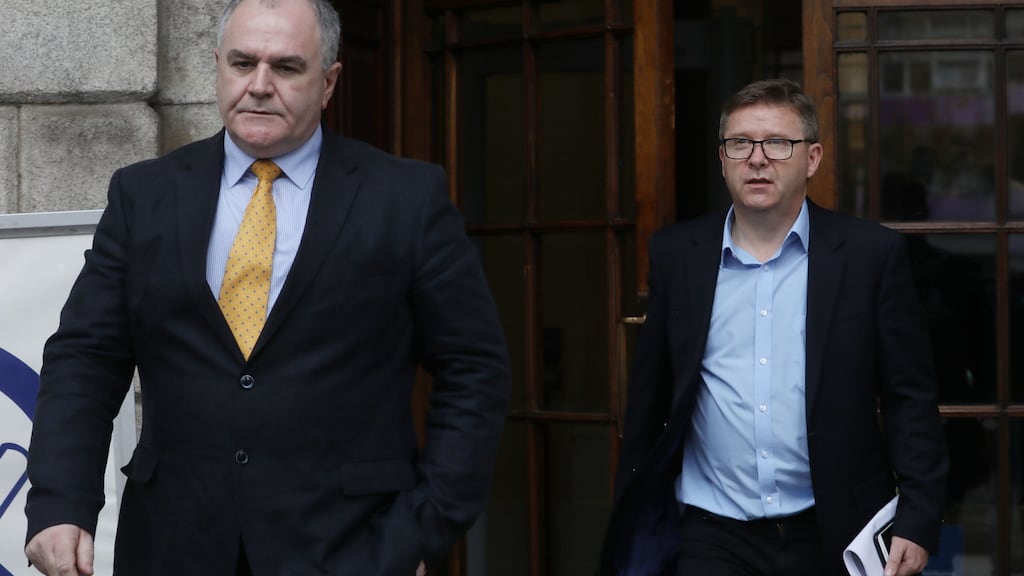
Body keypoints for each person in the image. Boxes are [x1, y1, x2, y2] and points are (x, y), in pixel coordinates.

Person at [23, 0, 510, 574]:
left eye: (285, 67)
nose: (258, 85)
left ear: (328, 83)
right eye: (242, 63)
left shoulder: (405, 199)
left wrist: (420, 533)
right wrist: (60, 502)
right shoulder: (144, 196)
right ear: (218, 67)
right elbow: (85, 358)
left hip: (352, 549)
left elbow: (473, 370)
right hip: (172, 546)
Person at [599, 79, 948, 576]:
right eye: (740, 143)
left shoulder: (870, 256)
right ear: (722, 160)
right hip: (711, 533)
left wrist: (918, 516)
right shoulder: (678, 255)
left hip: (834, 528)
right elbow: (649, 399)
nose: (757, 159)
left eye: (778, 143)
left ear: (812, 159)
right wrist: (630, 516)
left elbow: (909, 396)